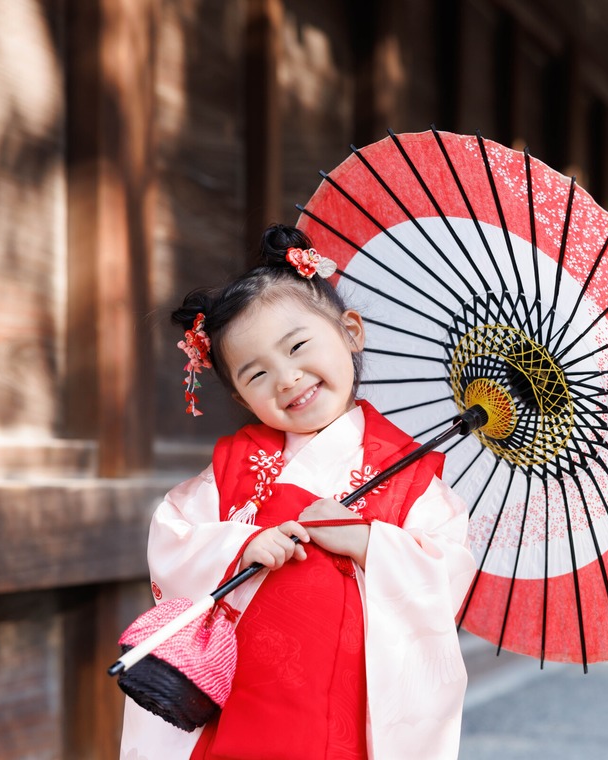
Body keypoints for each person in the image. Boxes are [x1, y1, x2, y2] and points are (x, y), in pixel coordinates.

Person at [119, 223, 477, 760]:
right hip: (247, 693)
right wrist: (239, 545)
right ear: (241, 397)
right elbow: (175, 534)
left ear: (350, 332)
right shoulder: (234, 468)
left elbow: (445, 570)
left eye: (298, 346)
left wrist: (367, 541)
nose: (286, 379)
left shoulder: (409, 475)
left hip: (347, 695)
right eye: (257, 373)